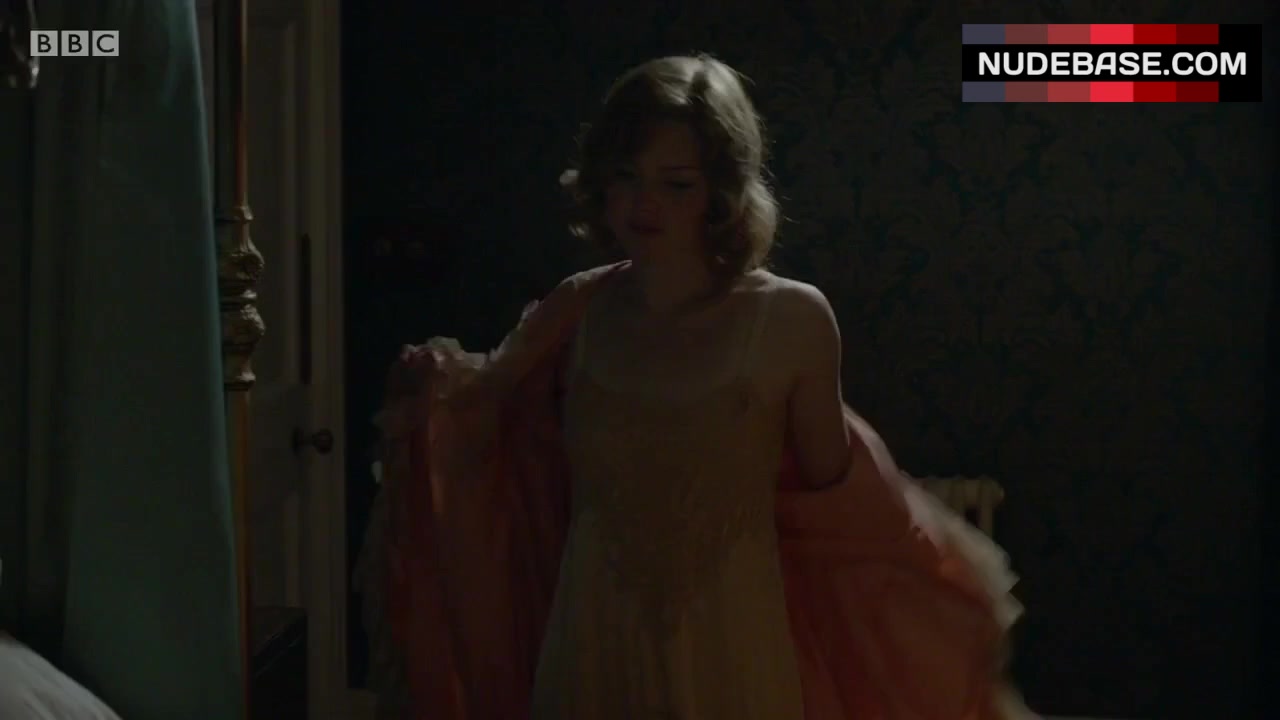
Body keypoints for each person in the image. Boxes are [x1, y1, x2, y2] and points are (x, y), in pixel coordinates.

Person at [356, 54, 1036, 719]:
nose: (644, 203)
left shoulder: (790, 318)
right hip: (593, 639)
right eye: (626, 176)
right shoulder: (578, 311)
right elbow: (479, 427)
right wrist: (430, 386)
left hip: (733, 645)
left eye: (676, 184)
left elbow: (838, 510)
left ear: (721, 190)